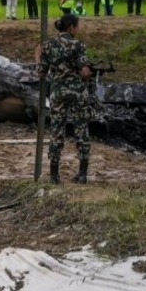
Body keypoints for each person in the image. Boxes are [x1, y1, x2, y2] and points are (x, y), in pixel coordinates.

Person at [36, 14, 93, 184]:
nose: (78, 29)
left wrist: (37, 55)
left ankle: (54, 174)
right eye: (77, 26)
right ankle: (82, 173)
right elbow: (85, 72)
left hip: (58, 93)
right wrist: (87, 74)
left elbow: (41, 73)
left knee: (57, 131)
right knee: (82, 130)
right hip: (78, 94)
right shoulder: (78, 45)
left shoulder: (48, 46)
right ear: (71, 27)